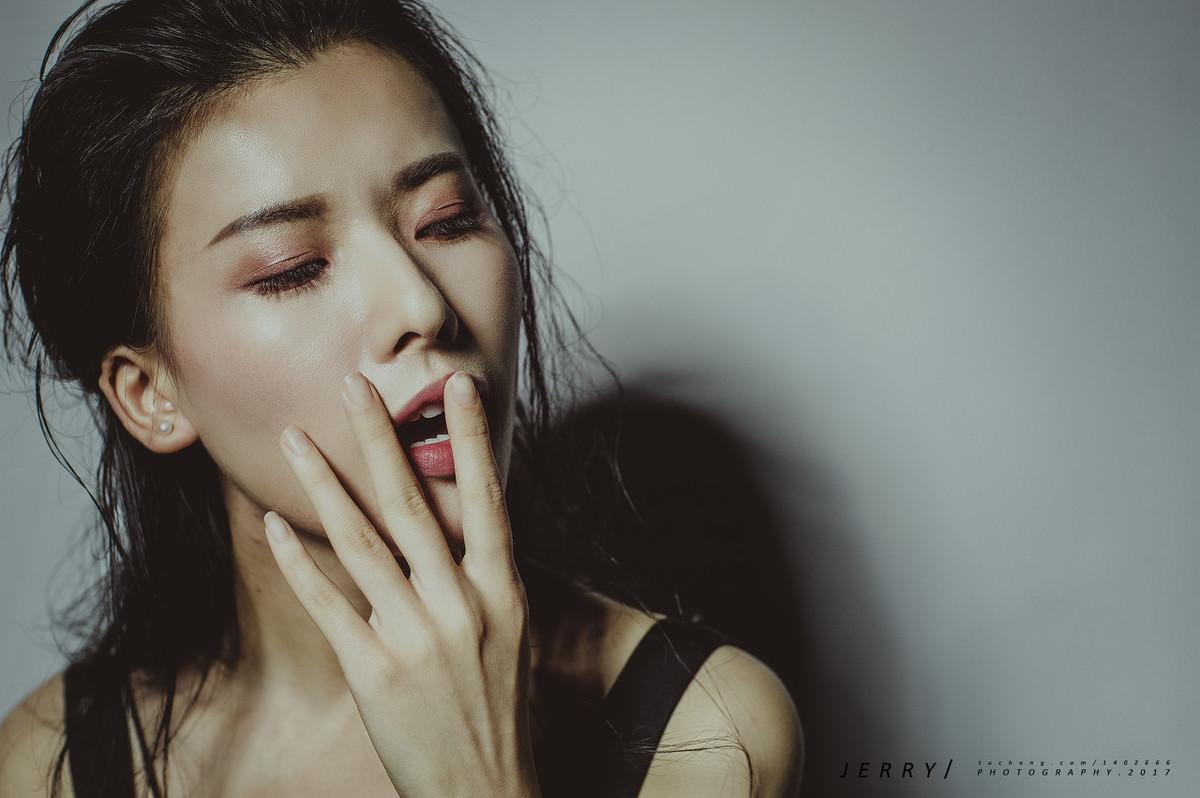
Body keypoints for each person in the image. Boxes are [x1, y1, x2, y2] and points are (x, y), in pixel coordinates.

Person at [0, 0, 804, 795]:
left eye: (447, 221)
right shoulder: (49, 766)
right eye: (293, 269)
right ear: (149, 393)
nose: (422, 305)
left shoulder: (708, 737)